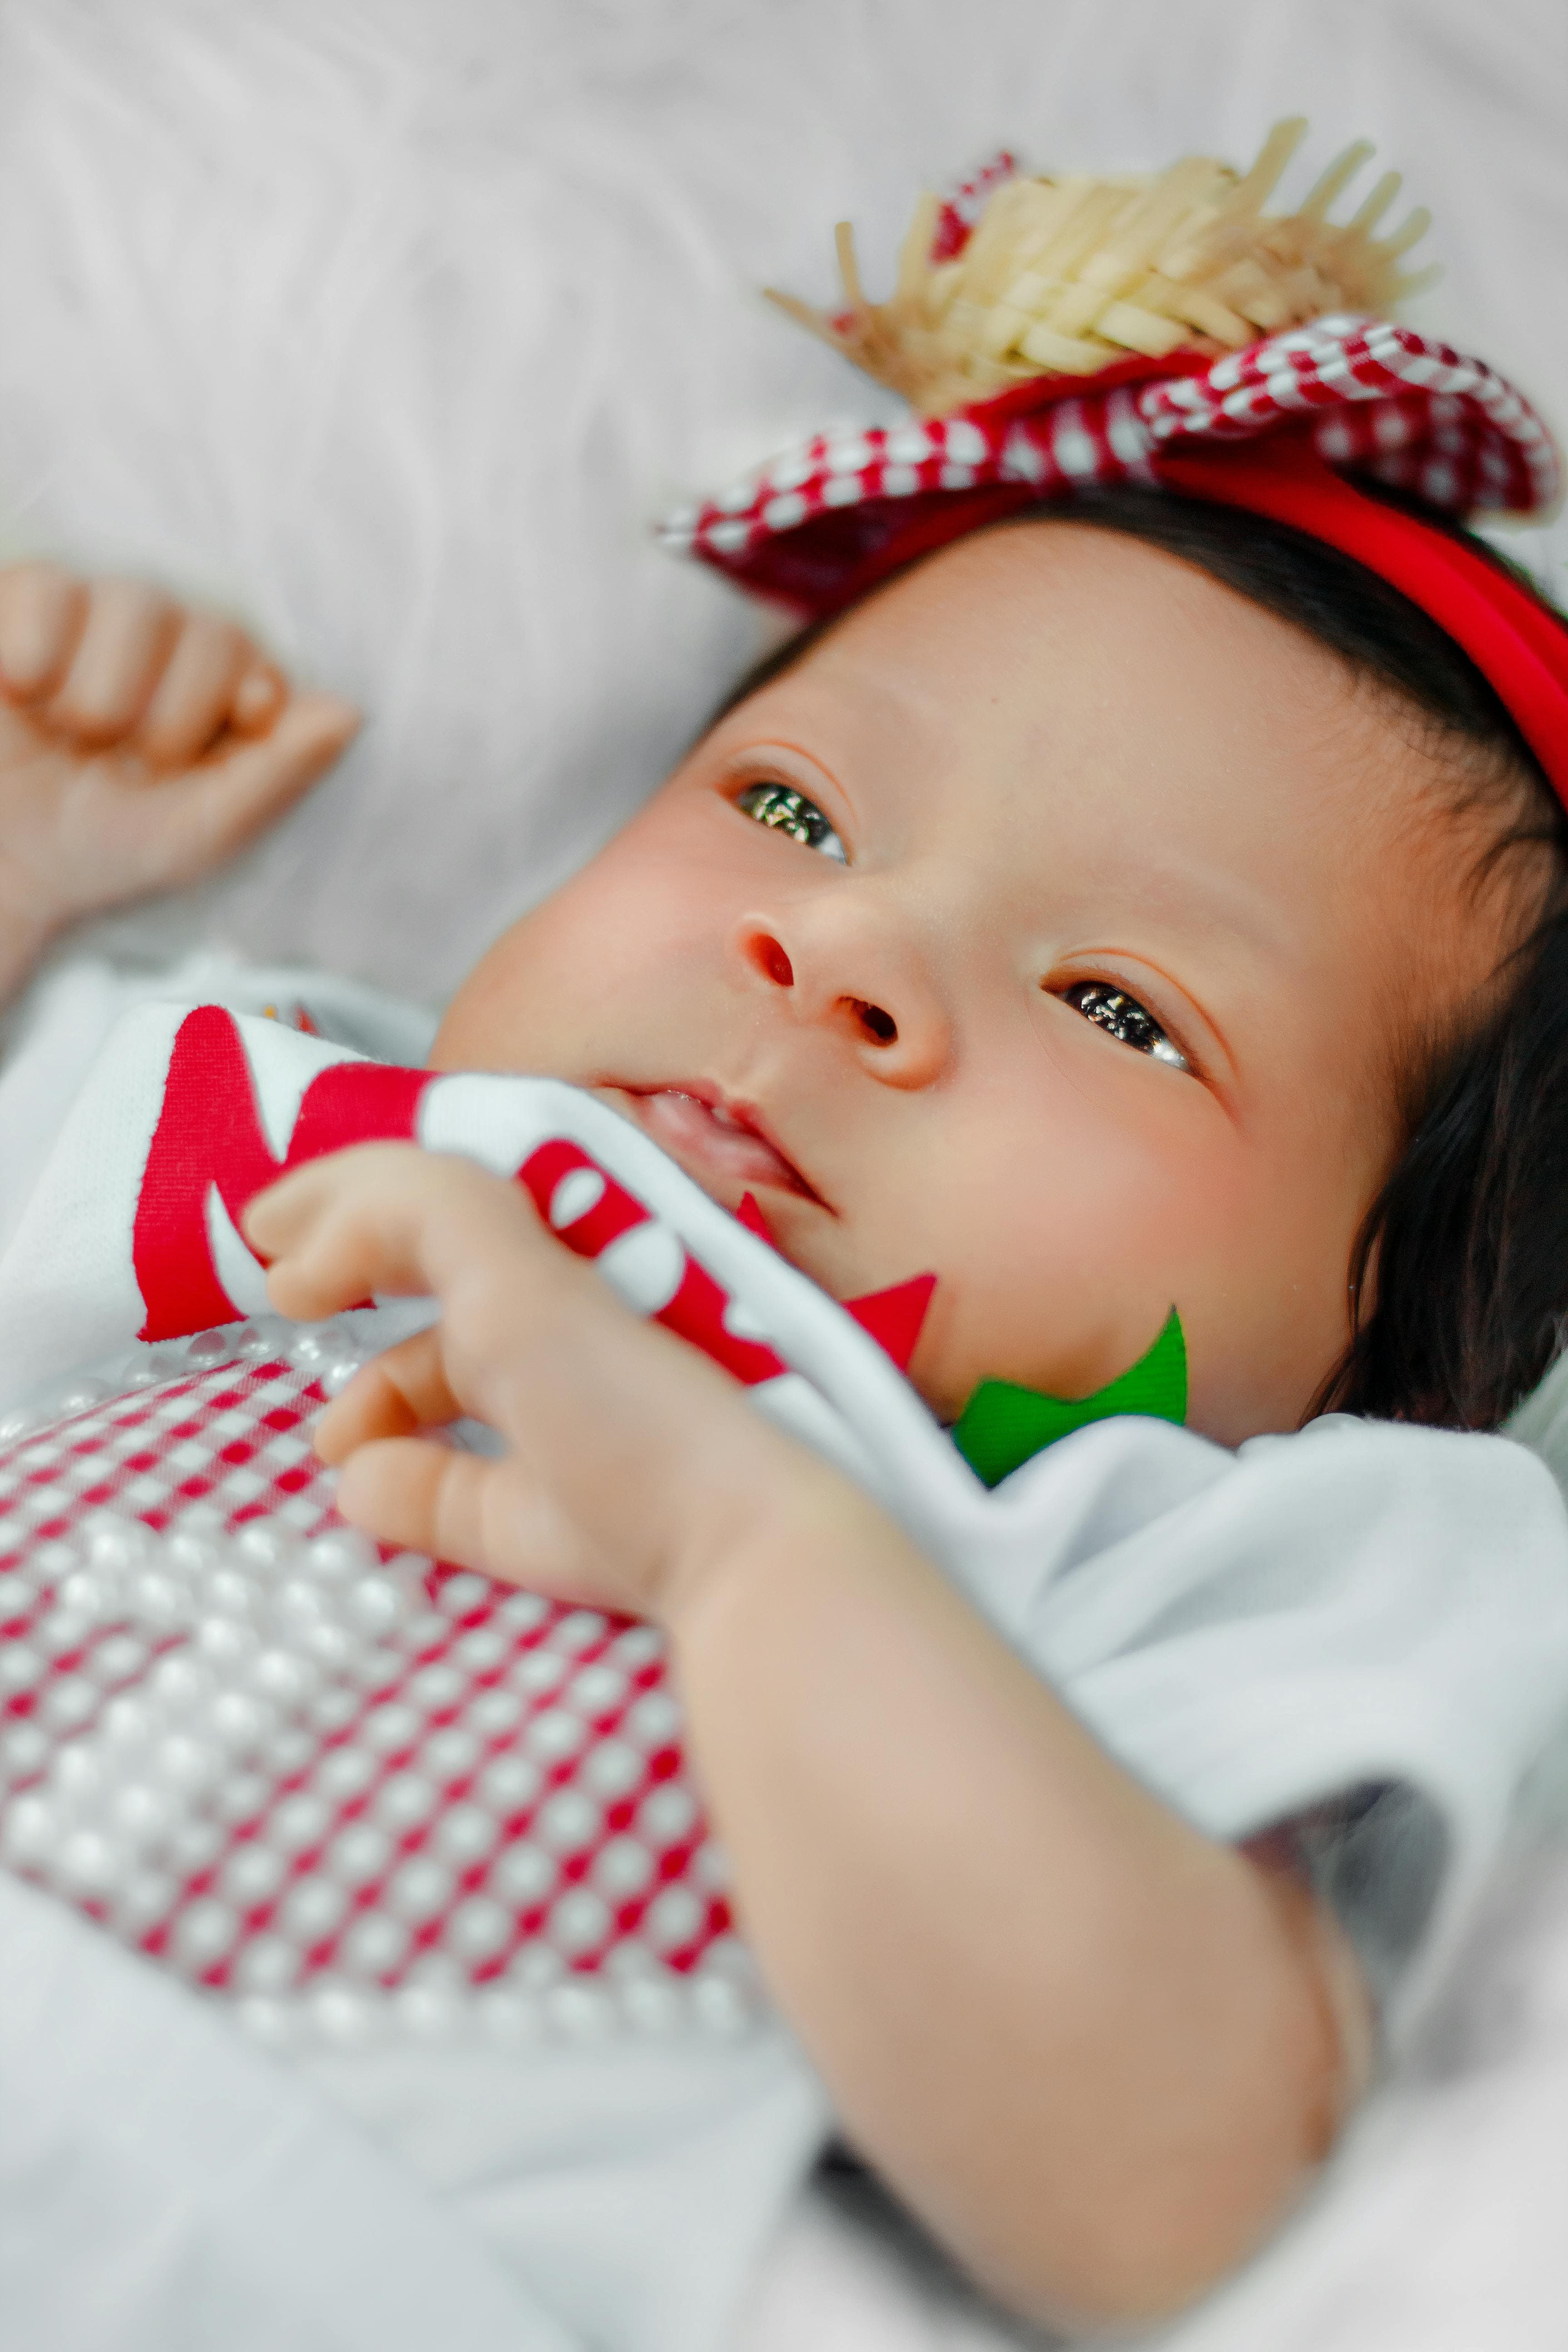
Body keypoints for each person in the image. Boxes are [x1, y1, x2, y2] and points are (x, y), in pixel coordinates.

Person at [4, 164, 1568, 2340]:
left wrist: (749, 1545)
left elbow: (1186, 2187)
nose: (840, 948)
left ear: (1381, 1346)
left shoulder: (1199, 1550)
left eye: (1122, 1008)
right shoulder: (256, 1110)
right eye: (795, 810)